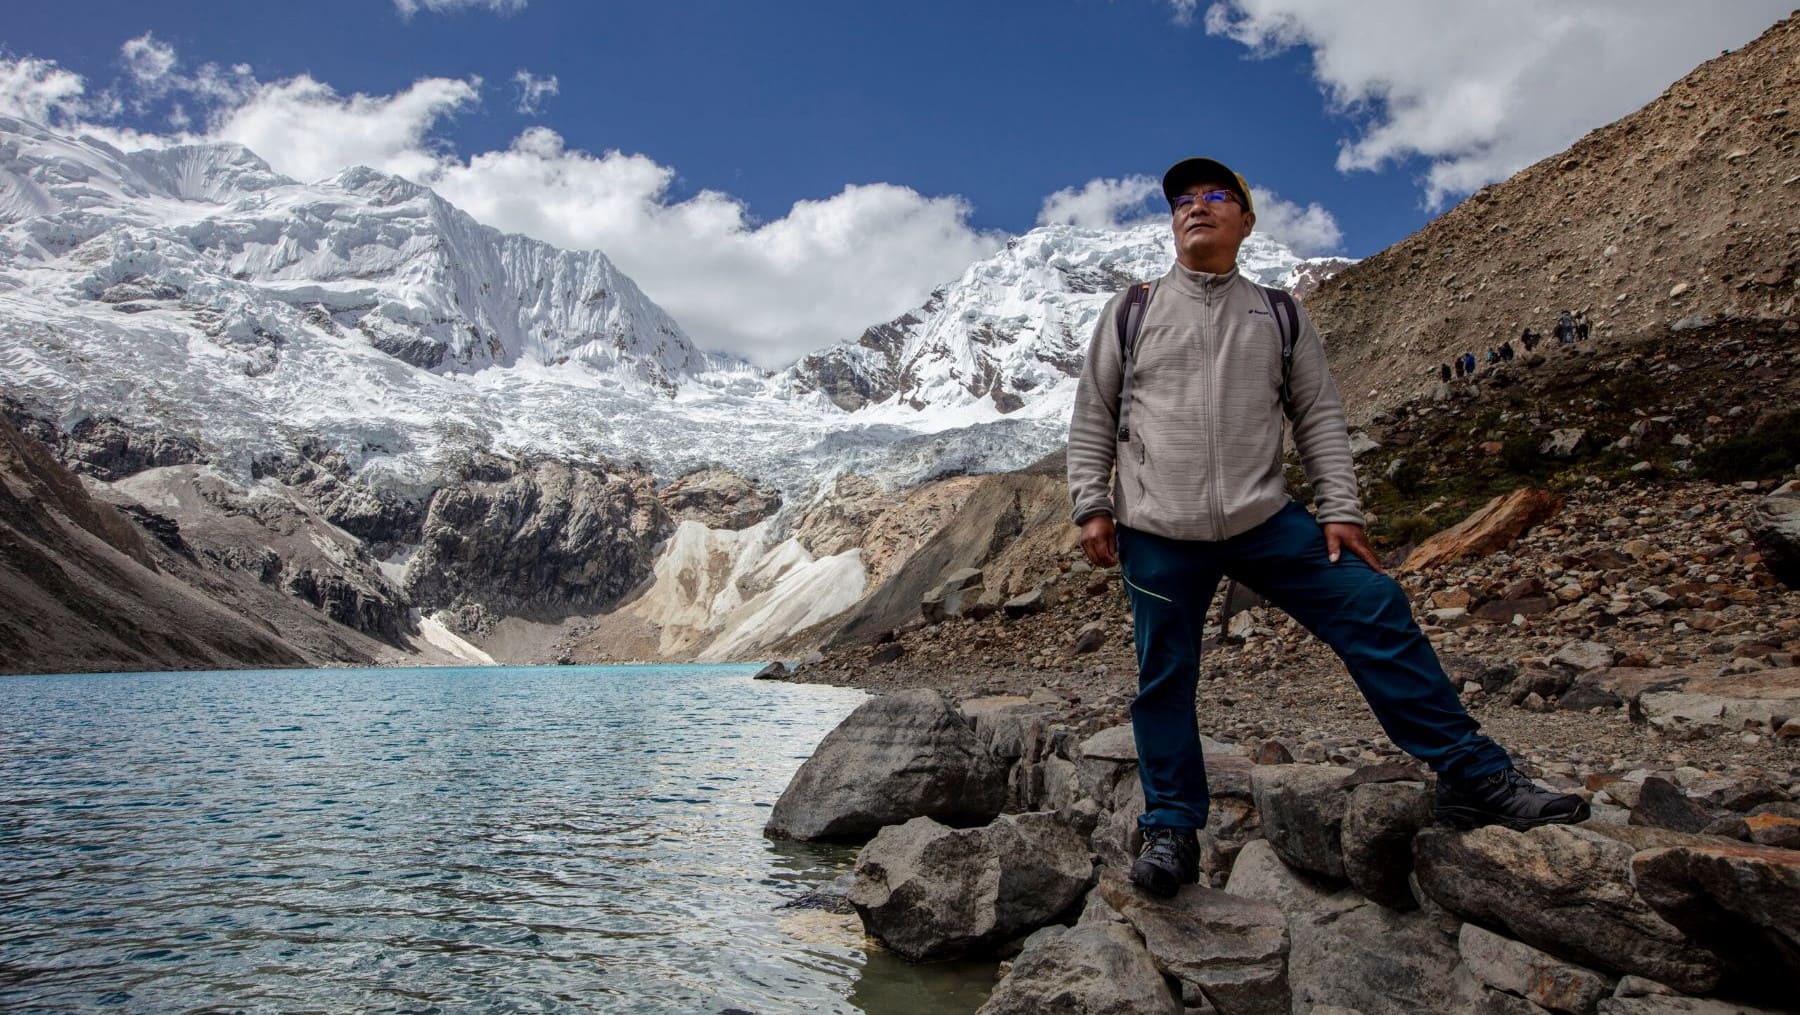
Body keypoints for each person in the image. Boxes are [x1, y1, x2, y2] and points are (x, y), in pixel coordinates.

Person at [1066, 156, 1588, 898]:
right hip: (1156, 528)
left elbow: (1318, 415)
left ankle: (1473, 775)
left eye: (1215, 195)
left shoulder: (1278, 313)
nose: (1195, 206)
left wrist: (1342, 509)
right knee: (1165, 677)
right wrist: (1091, 504)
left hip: (1263, 519)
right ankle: (1172, 828)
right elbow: (1094, 411)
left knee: (1373, 604)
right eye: (1183, 199)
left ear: (1246, 220)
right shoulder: (1133, 309)